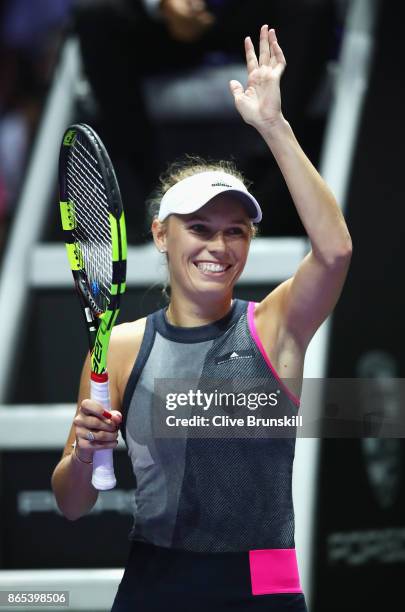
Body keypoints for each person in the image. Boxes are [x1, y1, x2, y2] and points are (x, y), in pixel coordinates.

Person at [51, 25, 352, 611]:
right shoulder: (119, 347)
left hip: (265, 585)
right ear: (161, 235)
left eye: (234, 231)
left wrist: (273, 126)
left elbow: (336, 251)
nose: (219, 245)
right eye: (200, 228)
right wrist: (86, 455)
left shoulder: (275, 326)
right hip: (158, 585)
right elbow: (71, 502)